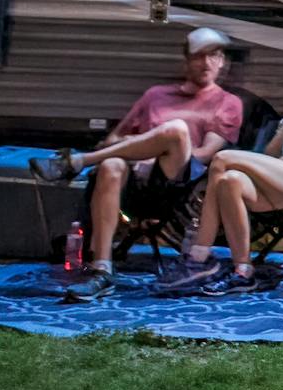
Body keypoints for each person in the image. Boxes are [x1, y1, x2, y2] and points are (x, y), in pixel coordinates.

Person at [160, 50, 283, 293]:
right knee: (230, 181)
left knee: (222, 158)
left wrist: (256, 166)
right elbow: (270, 155)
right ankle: (243, 271)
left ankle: (198, 256)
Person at [62, 28, 247, 284]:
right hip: (136, 181)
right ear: (186, 60)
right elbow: (113, 139)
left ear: (223, 62)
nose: (206, 63)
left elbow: (206, 153)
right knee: (112, 164)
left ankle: (81, 160)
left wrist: (159, 150)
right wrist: (140, 148)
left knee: (176, 130)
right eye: (199, 56)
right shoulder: (156, 95)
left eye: (214, 56)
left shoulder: (228, 102)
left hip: (180, 182)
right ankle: (102, 266)